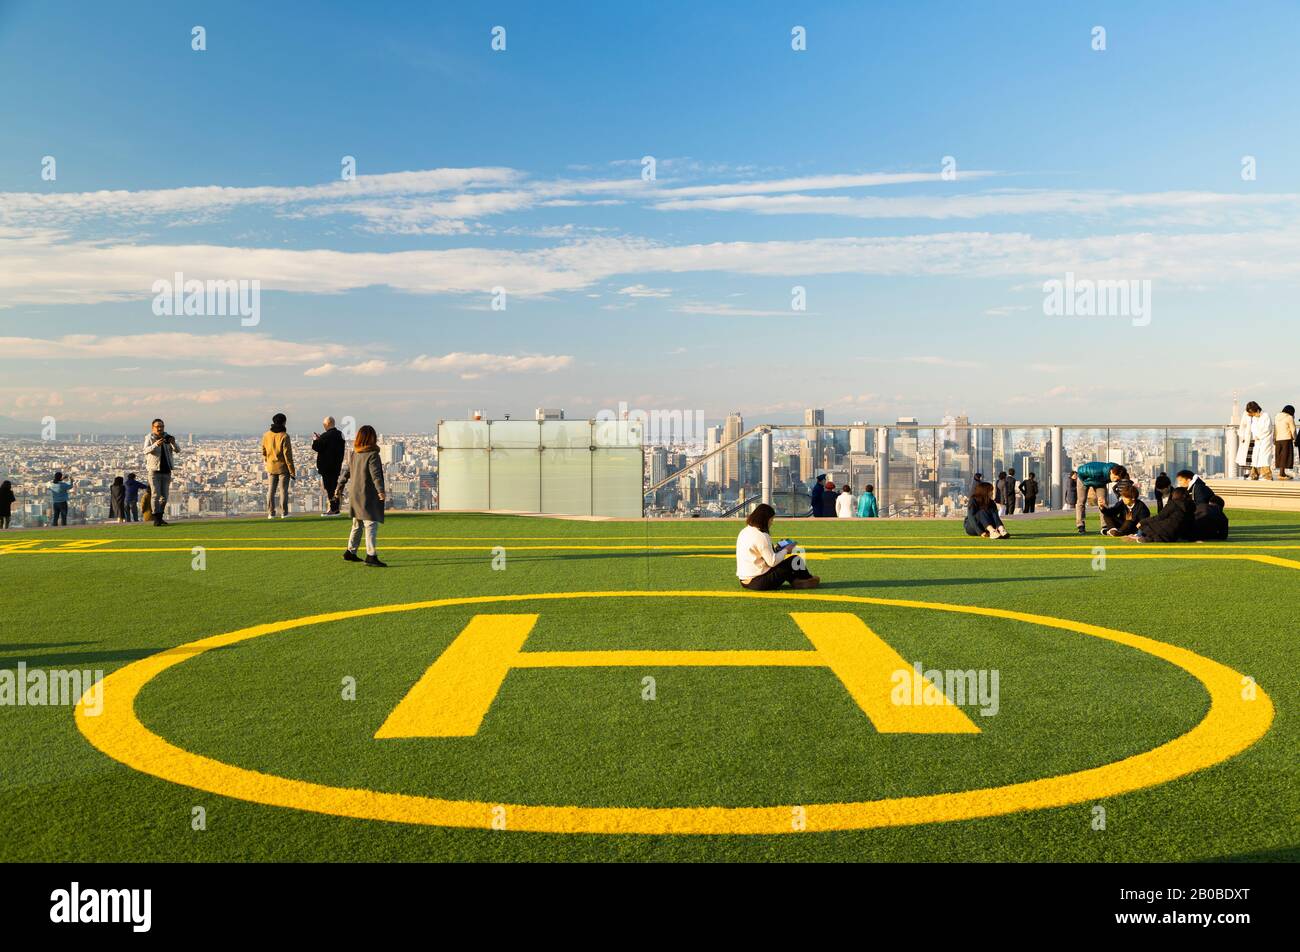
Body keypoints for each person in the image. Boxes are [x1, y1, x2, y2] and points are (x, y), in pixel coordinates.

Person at [335, 424, 387, 567]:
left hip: (354, 494)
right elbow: (375, 474)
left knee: (357, 524)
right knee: (370, 524)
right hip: (367, 494)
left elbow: (346, 472)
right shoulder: (372, 454)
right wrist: (380, 491)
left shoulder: (354, 454)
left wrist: (339, 487)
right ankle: (371, 555)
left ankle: (350, 552)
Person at [736, 503, 819, 590]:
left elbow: (760, 555)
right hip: (759, 581)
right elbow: (772, 562)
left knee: (785, 564)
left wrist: (777, 549)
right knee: (795, 559)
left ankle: (797, 581)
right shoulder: (762, 535)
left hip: (745, 581)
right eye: (771, 520)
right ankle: (808, 579)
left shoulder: (744, 531)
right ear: (765, 520)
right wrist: (786, 550)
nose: (772, 523)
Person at [142, 418, 178, 527]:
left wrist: (173, 443)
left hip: (166, 470)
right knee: (155, 494)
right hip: (154, 470)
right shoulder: (149, 437)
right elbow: (145, 450)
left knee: (165, 496)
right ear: (153, 428)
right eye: (157, 426)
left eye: (161, 426)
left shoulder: (168, 437)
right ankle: (156, 518)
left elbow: (177, 450)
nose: (160, 428)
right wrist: (155, 445)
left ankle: (160, 516)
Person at [1074, 461, 1126, 535]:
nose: (1114, 480)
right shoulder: (1095, 471)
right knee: (1081, 501)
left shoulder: (1119, 470)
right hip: (1084, 479)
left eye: (1117, 480)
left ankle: (1105, 525)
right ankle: (1080, 526)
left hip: (1100, 483)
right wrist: (1087, 483)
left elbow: (1125, 477)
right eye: (1114, 477)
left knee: (1103, 502)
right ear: (1111, 472)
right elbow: (1080, 470)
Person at [261, 412, 296, 519]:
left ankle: (271, 512)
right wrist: (292, 471)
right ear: (284, 422)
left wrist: (267, 461)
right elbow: (288, 456)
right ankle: (284, 513)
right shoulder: (284, 436)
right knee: (283, 490)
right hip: (283, 467)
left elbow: (263, 450)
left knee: (271, 490)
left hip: (271, 467)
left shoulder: (266, 435)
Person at [1177, 470, 1229, 541]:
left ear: (1188, 480)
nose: (1179, 483)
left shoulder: (1198, 488)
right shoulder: (1193, 488)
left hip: (1205, 519)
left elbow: (1201, 508)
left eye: (1180, 480)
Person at [311, 416, 346, 514]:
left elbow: (317, 447)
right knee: (334, 487)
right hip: (336, 466)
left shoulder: (325, 436)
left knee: (330, 488)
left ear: (326, 425)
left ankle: (334, 509)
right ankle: (335, 508)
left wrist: (315, 439)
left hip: (326, 467)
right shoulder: (340, 434)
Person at [1236, 401, 1274, 479]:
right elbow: (1253, 428)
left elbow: (1267, 429)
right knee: (1255, 458)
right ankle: (1254, 474)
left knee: (1264, 459)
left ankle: (1267, 475)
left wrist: (1259, 436)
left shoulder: (1265, 416)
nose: (1252, 415)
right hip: (1257, 441)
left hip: (1264, 440)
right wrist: (1255, 436)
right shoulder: (1255, 418)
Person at [1275, 405, 1296, 479]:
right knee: (1285, 457)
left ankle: (1282, 473)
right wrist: (1295, 439)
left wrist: (1275, 438)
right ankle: (1282, 474)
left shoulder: (1277, 416)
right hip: (1286, 439)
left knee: (1281, 456)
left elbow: (1276, 428)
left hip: (1278, 439)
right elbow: (1293, 430)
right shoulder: (1289, 417)